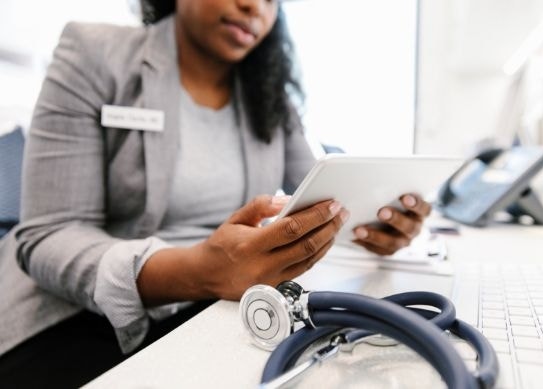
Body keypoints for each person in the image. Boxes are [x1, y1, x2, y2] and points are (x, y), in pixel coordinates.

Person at [0, 0, 431, 386]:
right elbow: (48, 234)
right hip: (78, 318)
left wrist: (377, 222)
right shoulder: (95, 52)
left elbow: (327, 193)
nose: (253, 7)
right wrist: (200, 272)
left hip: (219, 306)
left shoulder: (269, 94)